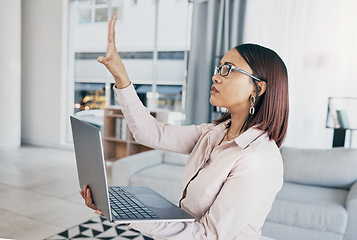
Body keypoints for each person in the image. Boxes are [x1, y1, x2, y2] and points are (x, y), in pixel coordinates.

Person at [80, 14, 289, 240]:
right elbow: (150, 133)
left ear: (258, 88)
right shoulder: (214, 134)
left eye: (227, 69)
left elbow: (208, 236)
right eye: (218, 68)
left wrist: (131, 215)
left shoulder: (258, 160)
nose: (216, 77)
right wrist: (120, 75)